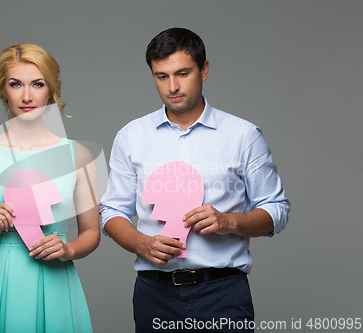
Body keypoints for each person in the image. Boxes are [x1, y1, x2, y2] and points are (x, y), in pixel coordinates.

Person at [100, 28, 290, 332]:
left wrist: (229, 222)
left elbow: (276, 211)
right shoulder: (131, 137)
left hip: (222, 293)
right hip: (154, 294)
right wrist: (142, 243)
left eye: (182, 73)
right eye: (161, 76)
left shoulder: (243, 136)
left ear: (204, 70)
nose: (172, 86)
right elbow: (111, 212)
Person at [0, 44, 100, 333]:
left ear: (51, 89)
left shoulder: (79, 156)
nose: (27, 96)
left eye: (38, 84)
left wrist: (67, 249)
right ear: (2, 89)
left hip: (55, 279)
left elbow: (92, 233)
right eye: (15, 84)